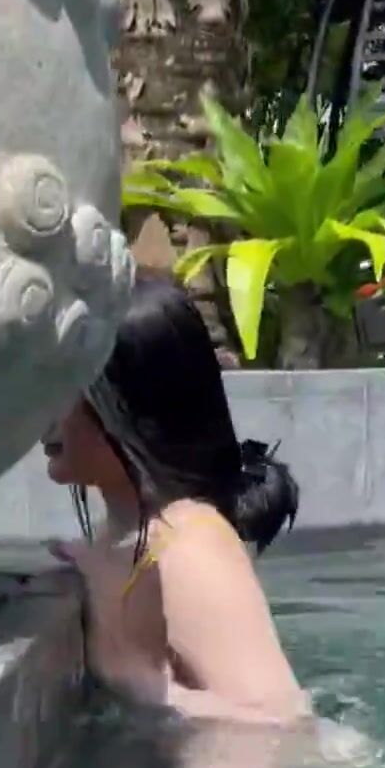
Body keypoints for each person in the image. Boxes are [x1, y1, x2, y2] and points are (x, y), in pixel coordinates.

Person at [43, 271, 308, 727]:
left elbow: (284, 722)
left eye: (63, 387)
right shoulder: (129, 535)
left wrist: (131, 677)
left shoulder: (189, 548)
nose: (42, 409)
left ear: (131, 408)